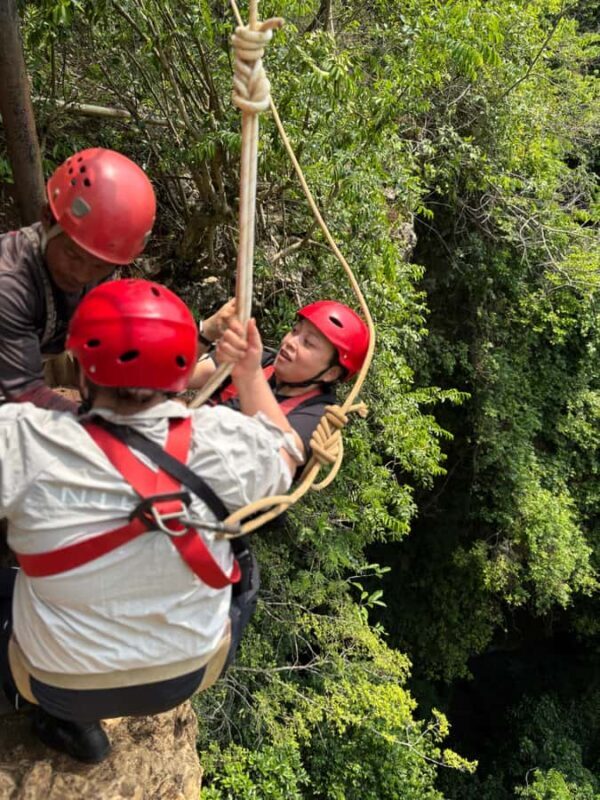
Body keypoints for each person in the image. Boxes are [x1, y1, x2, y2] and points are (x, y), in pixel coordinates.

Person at [0, 278, 301, 763]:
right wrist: (248, 372)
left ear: (79, 372)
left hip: (55, 680)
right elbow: (288, 449)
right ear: (182, 375)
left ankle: (62, 720)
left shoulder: (22, 442)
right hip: (186, 675)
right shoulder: (227, 442)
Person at [0, 147, 156, 412]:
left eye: (99, 265)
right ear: (48, 219)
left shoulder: (100, 274)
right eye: (73, 255)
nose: (82, 274)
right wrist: (104, 427)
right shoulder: (10, 282)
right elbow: (23, 394)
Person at [190, 300, 370, 464]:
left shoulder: (316, 416)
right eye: (295, 331)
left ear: (331, 373)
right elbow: (181, 376)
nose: (290, 342)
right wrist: (208, 331)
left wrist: (249, 375)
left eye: (308, 343)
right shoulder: (261, 361)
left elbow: (284, 455)